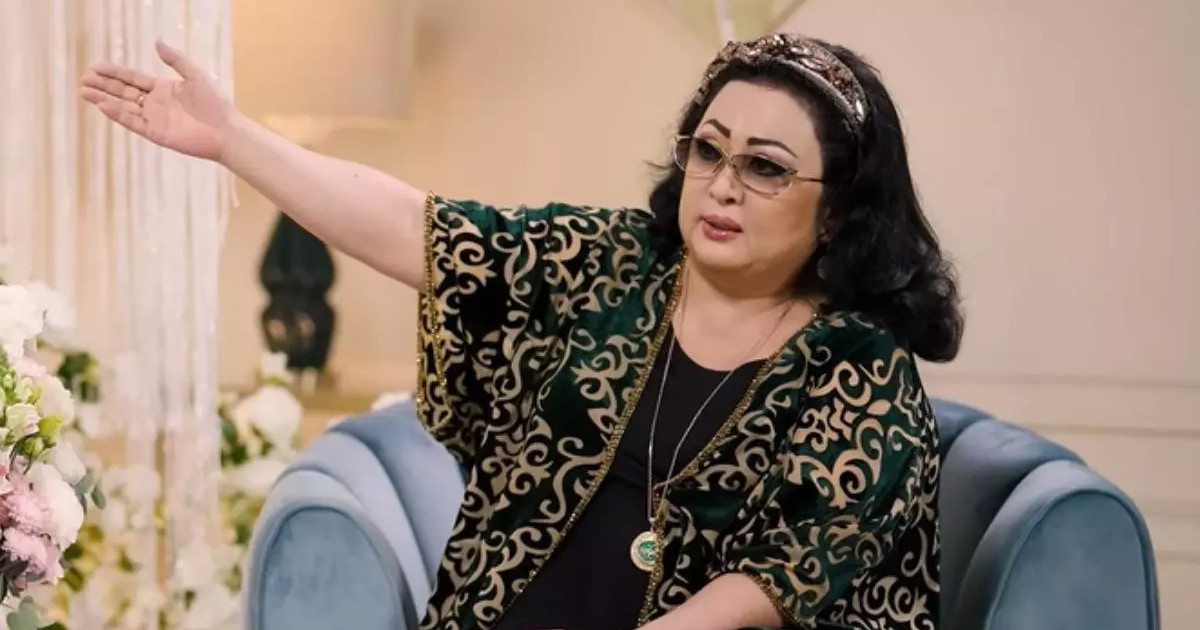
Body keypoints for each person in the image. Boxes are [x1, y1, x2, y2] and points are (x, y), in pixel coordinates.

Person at [81, 31, 961, 630]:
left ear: (838, 212)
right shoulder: (612, 264)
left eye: (765, 167)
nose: (723, 184)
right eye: (708, 148)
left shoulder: (858, 365)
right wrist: (232, 139)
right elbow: (416, 227)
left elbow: (769, 584)